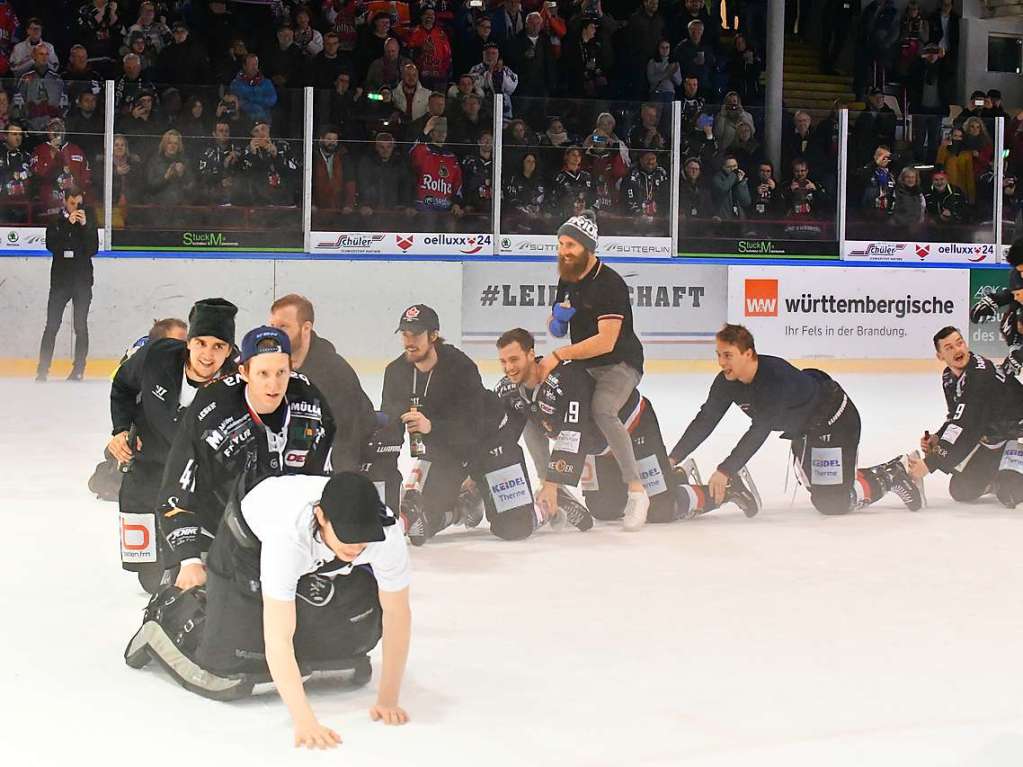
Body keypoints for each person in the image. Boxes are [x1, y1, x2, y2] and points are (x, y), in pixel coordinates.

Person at [125, 472, 411, 747]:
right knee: (227, 663)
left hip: (316, 555)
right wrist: (304, 721)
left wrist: (388, 699)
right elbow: (279, 636)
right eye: (349, 536)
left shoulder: (384, 533)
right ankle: (171, 609)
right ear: (321, 517)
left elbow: (397, 615)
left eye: (364, 537)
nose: (358, 546)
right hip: (247, 542)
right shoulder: (287, 537)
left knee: (355, 636)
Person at [670, 324, 923, 516]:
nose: (722, 362)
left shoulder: (775, 378)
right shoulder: (727, 381)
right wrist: (673, 457)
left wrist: (725, 469)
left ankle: (894, 473)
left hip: (837, 423)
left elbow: (760, 429)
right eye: (719, 355)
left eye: (728, 355)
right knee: (823, 493)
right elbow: (706, 419)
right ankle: (737, 484)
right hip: (806, 430)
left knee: (832, 503)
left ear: (748, 354)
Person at [158, 326, 336, 590]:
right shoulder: (211, 410)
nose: (273, 384)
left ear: (292, 368)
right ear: (244, 372)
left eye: (281, 372)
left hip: (286, 536)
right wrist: (189, 559)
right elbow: (175, 495)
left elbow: (322, 483)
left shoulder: (311, 402)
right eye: (263, 373)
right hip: (219, 534)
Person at [497, 328, 689, 527]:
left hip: (634, 428)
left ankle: (676, 479)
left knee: (662, 509)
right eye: (503, 362)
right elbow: (501, 436)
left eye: (514, 359)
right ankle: (556, 485)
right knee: (604, 510)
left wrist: (551, 484)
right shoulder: (508, 390)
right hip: (598, 448)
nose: (509, 367)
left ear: (530, 355)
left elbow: (573, 431)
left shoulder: (565, 377)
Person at [109, 299, 237, 592]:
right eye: (202, 343)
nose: (208, 354)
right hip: (148, 468)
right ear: (188, 342)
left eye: (219, 346)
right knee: (150, 578)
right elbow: (123, 387)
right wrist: (119, 430)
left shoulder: (236, 384)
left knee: (193, 577)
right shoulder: (155, 356)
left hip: (197, 483)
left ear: (229, 351)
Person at [537, 211, 651, 530]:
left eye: (570, 244)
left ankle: (637, 491)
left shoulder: (610, 283)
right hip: (584, 364)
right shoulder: (567, 276)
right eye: (560, 244)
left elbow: (606, 341)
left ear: (588, 247)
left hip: (619, 363)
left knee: (602, 410)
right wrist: (557, 321)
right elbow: (558, 328)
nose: (563, 251)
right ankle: (552, 485)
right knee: (542, 396)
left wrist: (559, 354)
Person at [379, 305, 486, 545]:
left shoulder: (461, 368)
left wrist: (432, 427)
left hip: (475, 449)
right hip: (436, 453)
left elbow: (475, 426)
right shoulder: (396, 373)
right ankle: (461, 504)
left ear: (433, 335)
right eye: (405, 334)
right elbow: (390, 428)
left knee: (513, 524)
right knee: (421, 520)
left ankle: (470, 494)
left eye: (416, 334)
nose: (409, 341)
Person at [908, 327, 1023, 508]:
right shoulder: (949, 377)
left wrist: (930, 463)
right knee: (961, 490)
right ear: (940, 356)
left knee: (1010, 493)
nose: (957, 350)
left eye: (959, 343)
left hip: (1014, 434)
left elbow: (965, 427)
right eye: (949, 347)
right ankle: (997, 473)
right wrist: (937, 437)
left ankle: (1011, 472)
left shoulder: (978, 376)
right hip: (995, 436)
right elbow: (956, 416)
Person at [269, 294, 375, 473]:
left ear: (306, 328)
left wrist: (336, 490)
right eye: (272, 327)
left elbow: (346, 439)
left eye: (283, 327)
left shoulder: (335, 374)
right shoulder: (272, 364)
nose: (275, 334)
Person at [36, 187, 98, 382]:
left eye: (79, 204)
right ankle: (43, 369)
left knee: (80, 325)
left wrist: (86, 226)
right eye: (72, 203)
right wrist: (67, 226)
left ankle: (79, 369)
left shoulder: (88, 222)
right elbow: (52, 246)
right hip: (61, 282)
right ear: (65, 201)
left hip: (81, 281)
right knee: (52, 325)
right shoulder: (55, 222)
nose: (75, 207)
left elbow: (92, 249)